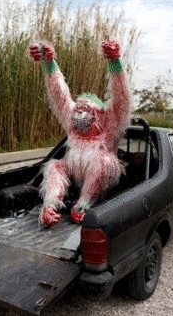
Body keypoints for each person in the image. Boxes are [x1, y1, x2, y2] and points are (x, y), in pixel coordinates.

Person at [27, 39, 132, 228]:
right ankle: (50, 205)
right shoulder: (73, 122)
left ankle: (83, 205)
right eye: (79, 107)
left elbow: (121, 99)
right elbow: (60, 94)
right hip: (74, 173)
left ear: (97, 113)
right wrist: (49, 63)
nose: (80, 111)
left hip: (101, 176)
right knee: (54, 167)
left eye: (85, 108)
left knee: (104, 161)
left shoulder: (108, 121)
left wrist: (115, 63)